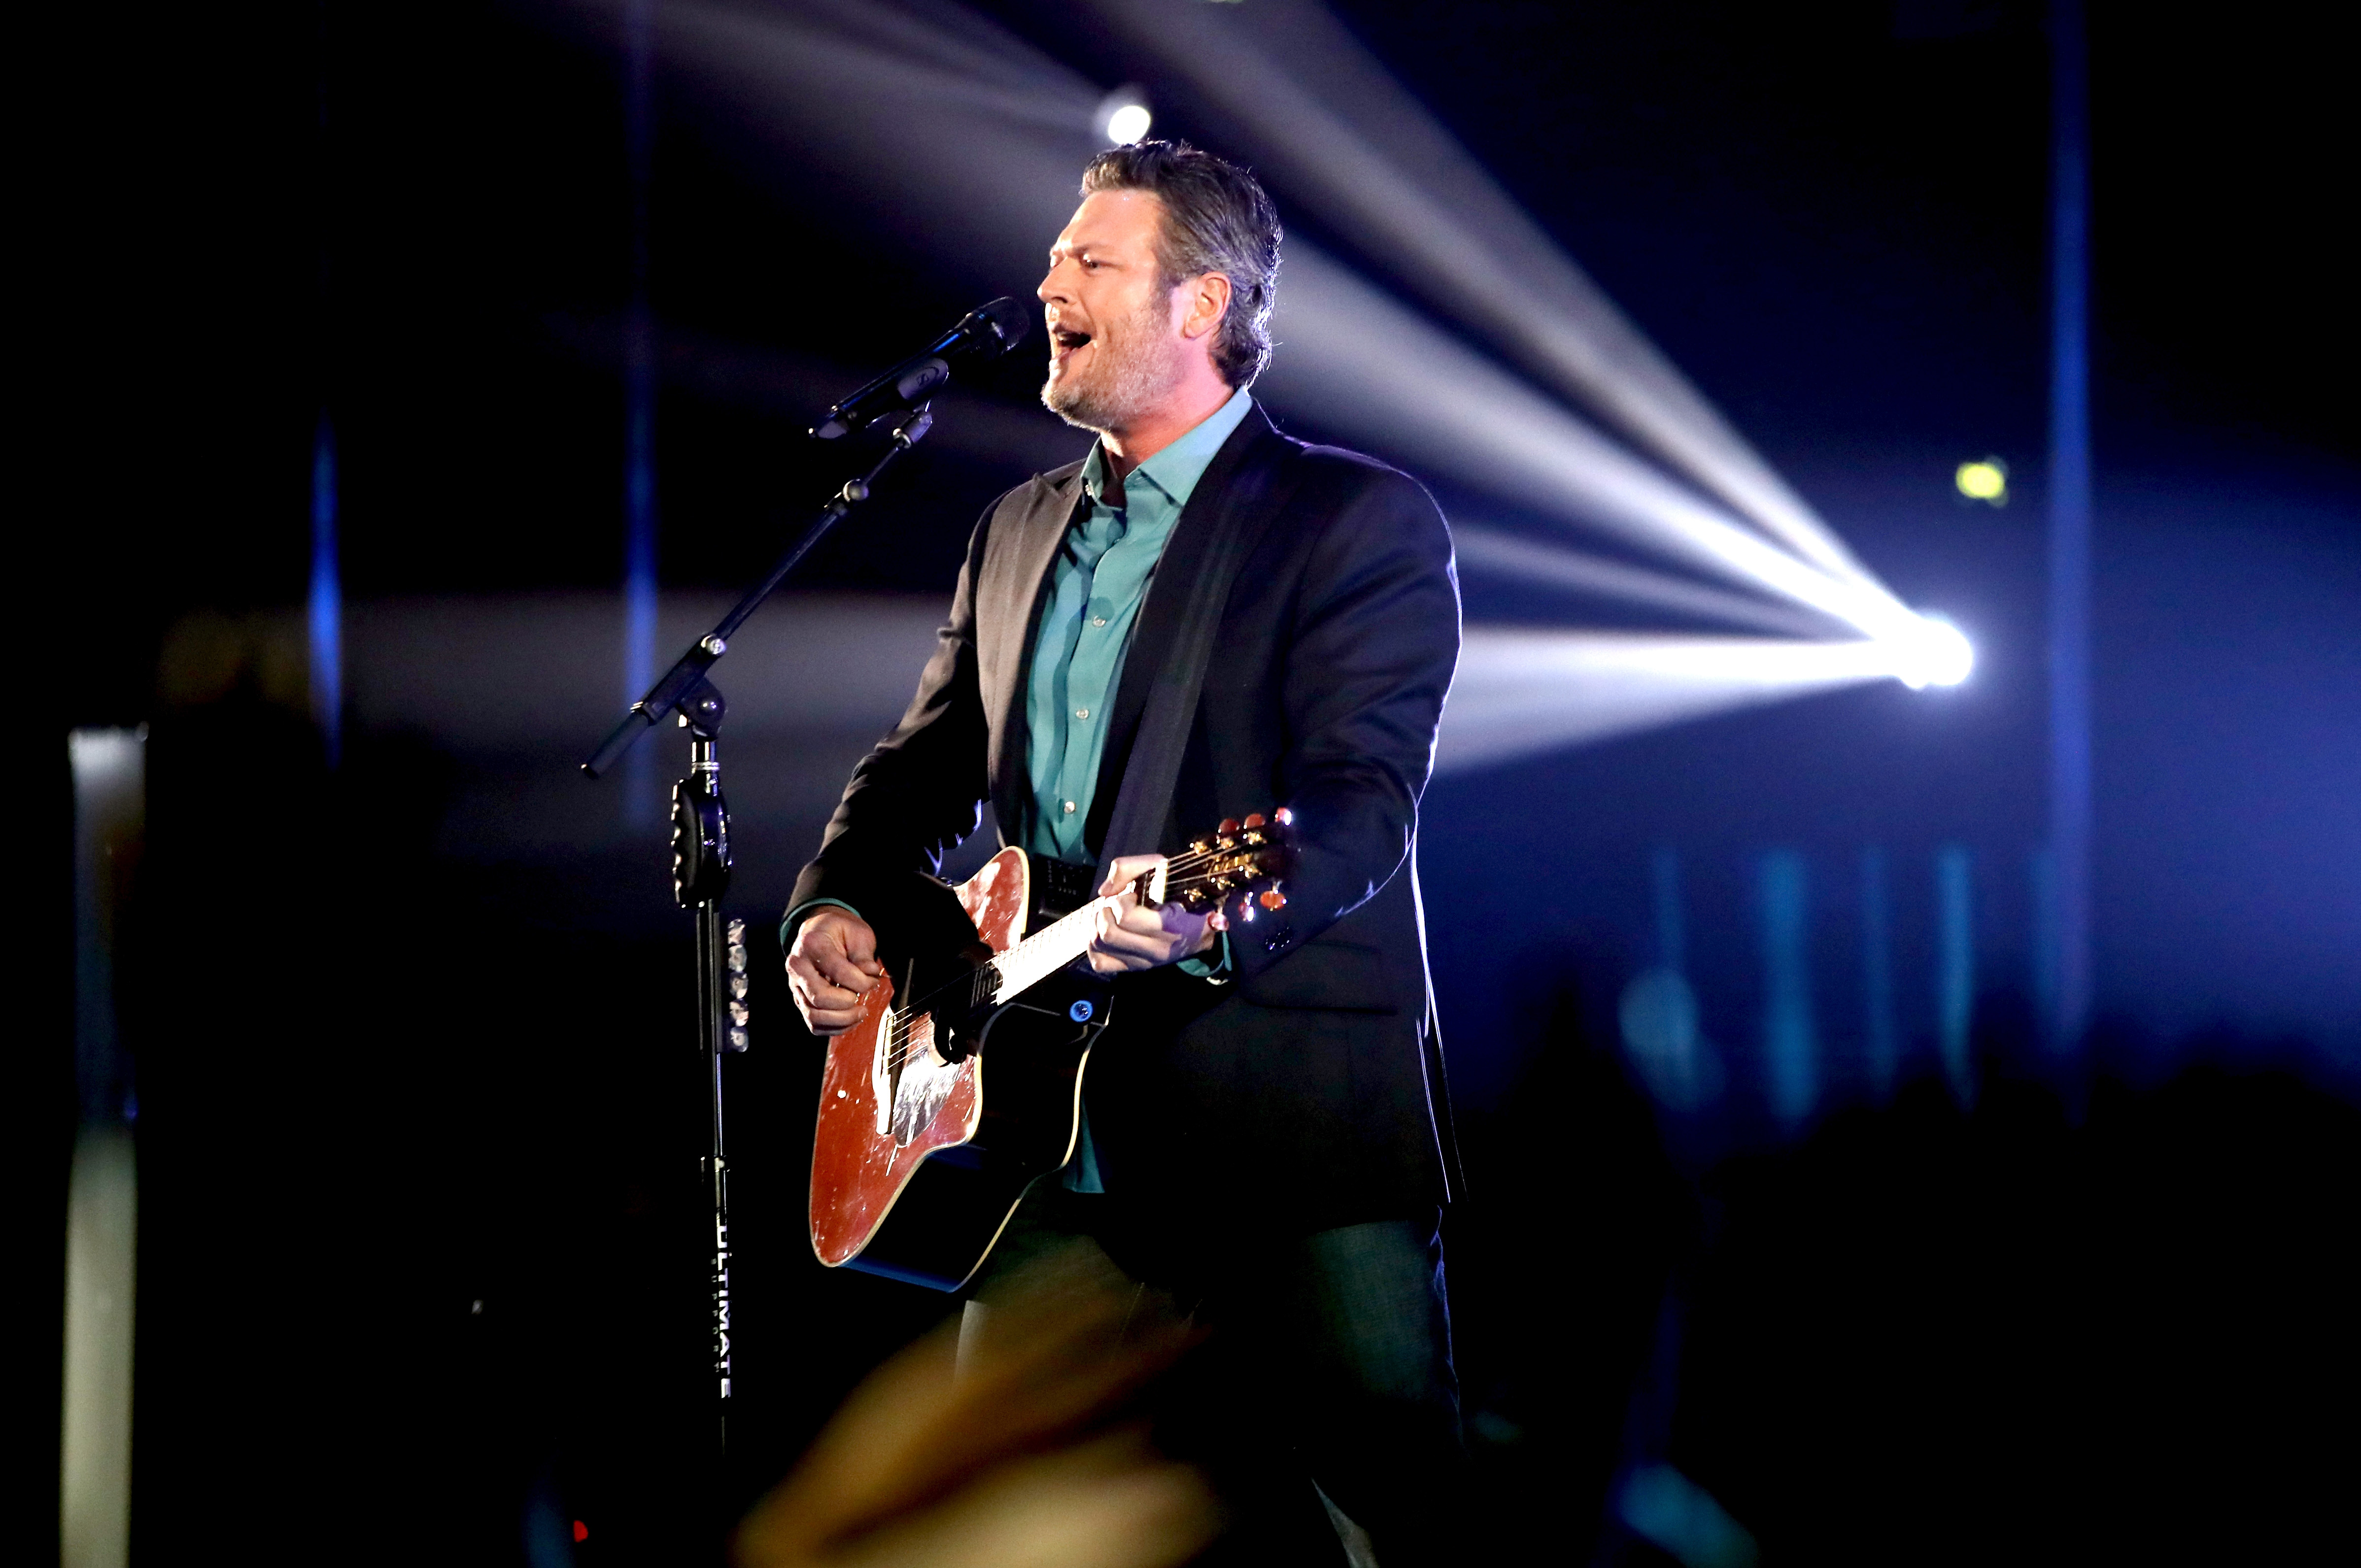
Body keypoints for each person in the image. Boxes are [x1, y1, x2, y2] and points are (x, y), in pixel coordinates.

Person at [783, 140, 1465, 1564]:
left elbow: (1363, 801)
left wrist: (1221, 910)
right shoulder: (1017, 531)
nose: (1047, 283)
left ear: (1203, 305)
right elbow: (922, 765)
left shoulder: (1353, 520)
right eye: (1054, 257)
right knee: (979, 1521)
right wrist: (841, 897)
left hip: (1292, 1128)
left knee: (1389, 1514)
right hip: (1056, 1137)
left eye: (1091, 260)